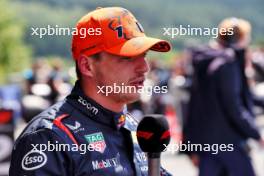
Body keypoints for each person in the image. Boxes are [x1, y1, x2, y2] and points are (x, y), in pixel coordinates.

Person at [9, 7, 172, 176]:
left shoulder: (134, 126)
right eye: (127, 57)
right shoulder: (49, 137)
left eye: (144, 55)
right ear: (87, 66)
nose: (144, 68)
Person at [183, 18, 264, 176]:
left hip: (207, 144)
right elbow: (234, 106)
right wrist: (256, 133)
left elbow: (193, 105)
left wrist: (190, 144)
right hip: (229, 142)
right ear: (237, 38)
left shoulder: (204, 60)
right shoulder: (227, 63)